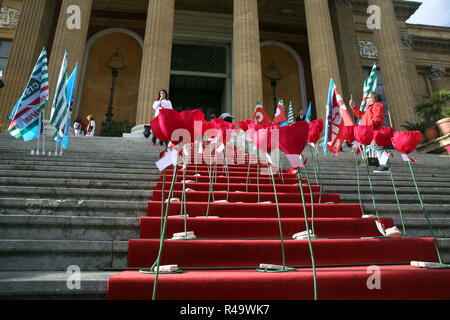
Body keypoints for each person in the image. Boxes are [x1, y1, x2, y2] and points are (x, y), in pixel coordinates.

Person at [350, 91, 388, 172]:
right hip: (371, 131)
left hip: (374, 131)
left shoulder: (377, 105)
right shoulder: (370, 107)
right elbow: (361, 115)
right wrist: (353, 107)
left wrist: (369, 127)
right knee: (376, 148)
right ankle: (382, 165)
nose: (366, 99)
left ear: (373, 99)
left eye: (368, 97)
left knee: (378, 148)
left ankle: (383, 165)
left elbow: (378, 118)